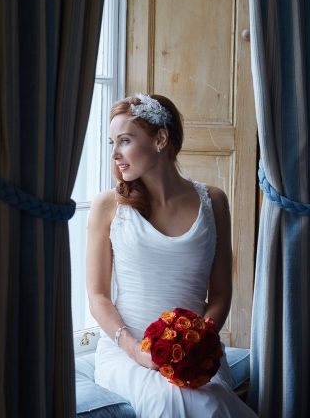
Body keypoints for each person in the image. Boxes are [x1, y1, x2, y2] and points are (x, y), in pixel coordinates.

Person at [86, 93, 257, 417]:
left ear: (161, 138)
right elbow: (97, 296)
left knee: (207, 398)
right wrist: (136, 351)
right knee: (167, 400)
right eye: (112, 142)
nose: (115, 154)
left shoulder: (214, 202)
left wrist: (198, 346)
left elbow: (220, 293)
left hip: (197, 351)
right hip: (124, 352)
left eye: (124, 140)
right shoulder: (108, 206)